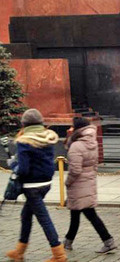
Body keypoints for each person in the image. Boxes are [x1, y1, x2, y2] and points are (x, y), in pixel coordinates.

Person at [5, 108, 67, 262]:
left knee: (44, 219)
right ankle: (19, 251)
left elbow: (24, 169)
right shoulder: (47, 138)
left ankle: (59, 255)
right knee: (26, 215)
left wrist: (12, 165)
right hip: (46, 183)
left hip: (32, 186)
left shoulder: (25, 141)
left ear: (24, 124)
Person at [63, 117, 117, 253]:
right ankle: (67, 242)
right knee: (75, 214)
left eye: (71, 126)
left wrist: (67, 182)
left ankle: (108, 240)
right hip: (87, 182)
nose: (69, 129)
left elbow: (75, 170)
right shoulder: (91, 142)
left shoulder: (76, 145)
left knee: (89, 214)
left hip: (78, 185)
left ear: (77, 129)